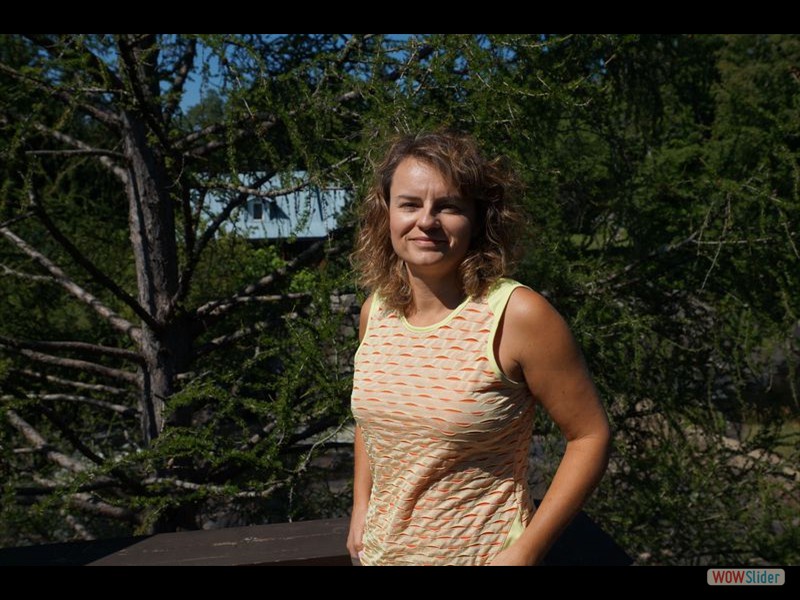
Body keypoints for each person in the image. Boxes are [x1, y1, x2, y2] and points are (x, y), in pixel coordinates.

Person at [347, 131, 611, 566]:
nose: (426, 221)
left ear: (478, 218)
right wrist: (361, 504)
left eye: (448, 206)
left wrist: (525, 552)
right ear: (386, 213)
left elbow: (590, 436)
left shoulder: (516, 315)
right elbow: (370, 417)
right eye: (409, 204)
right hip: (380, 557)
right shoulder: (375, 311)